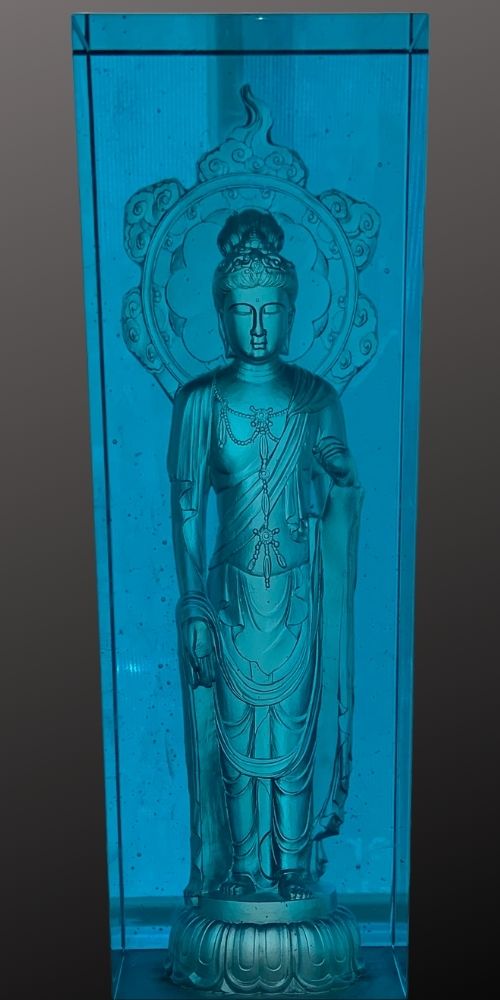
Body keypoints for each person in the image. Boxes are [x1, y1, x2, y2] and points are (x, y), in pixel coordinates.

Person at [168, 208, 363, 903]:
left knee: (294, 738)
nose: (257, 328)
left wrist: (339, 479)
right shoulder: (200, 402)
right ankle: (245, 869)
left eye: (270, 311)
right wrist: (193, 605)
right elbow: (185, 512)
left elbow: (343, 494)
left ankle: (294, 866)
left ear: (292, 314)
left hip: (297, 593)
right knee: (235, 738)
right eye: (243, 312)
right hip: (229, 594)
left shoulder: (317, 399)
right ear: (221, 316)